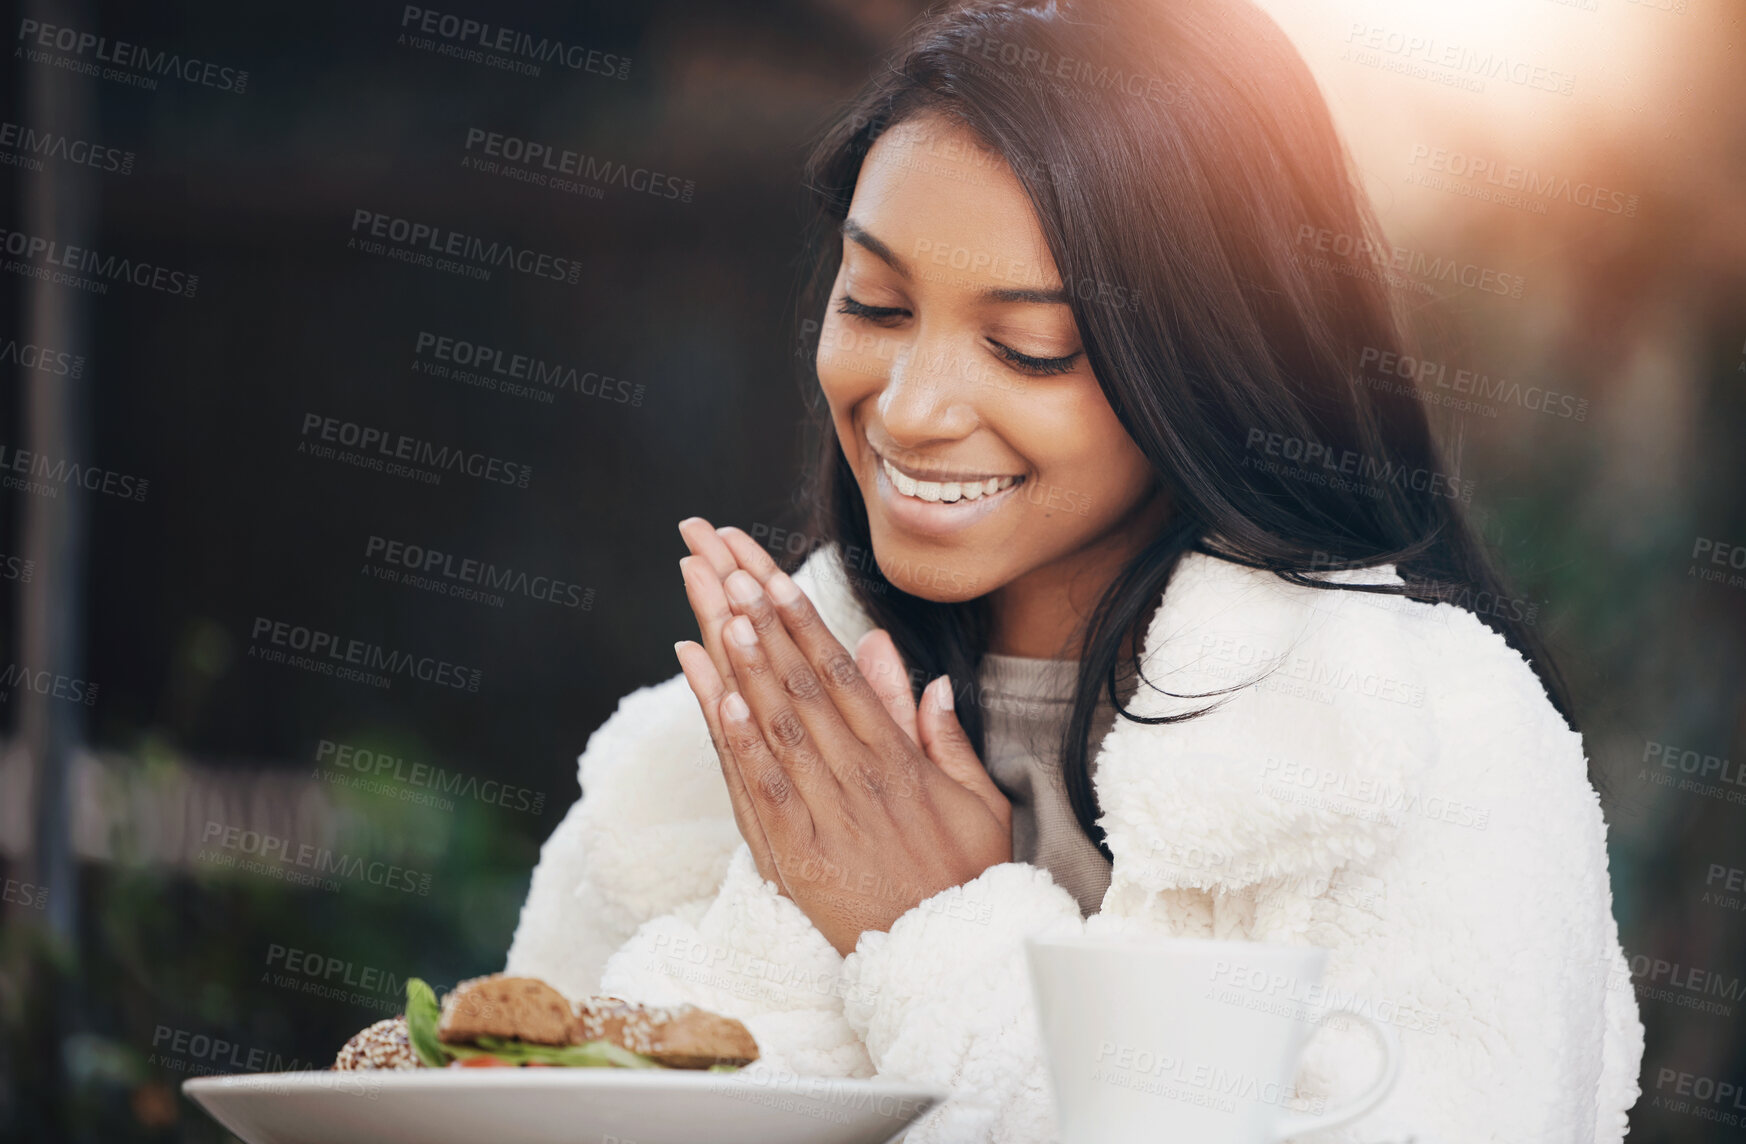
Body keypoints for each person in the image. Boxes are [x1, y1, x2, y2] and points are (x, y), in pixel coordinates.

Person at [505, 0, 1643, 1139]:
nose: (908, 409)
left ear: (1206, 359)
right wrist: (807, 909)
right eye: (876, 304)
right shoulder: (693, 767)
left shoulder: (1416, 739)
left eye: (1028, 348)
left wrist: (932, 930)